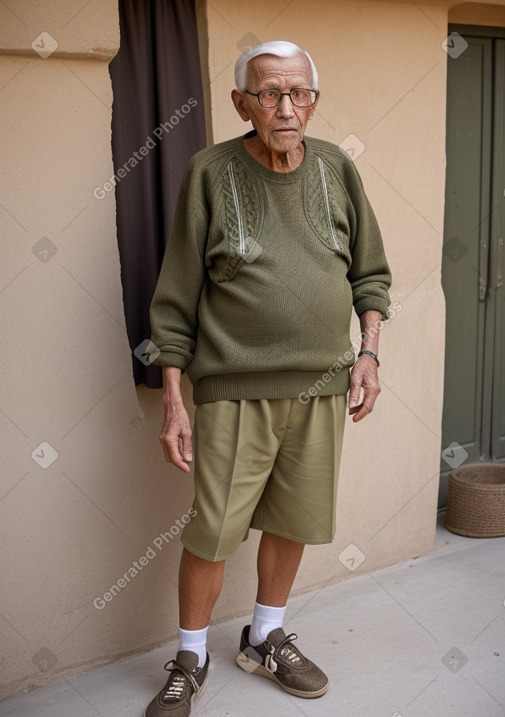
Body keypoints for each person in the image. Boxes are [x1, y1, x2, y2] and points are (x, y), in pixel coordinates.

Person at [145, 40, 391, 717]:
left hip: (322, 388)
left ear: (313, 100)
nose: (286, 107)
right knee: (213, 529)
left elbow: (369, 274)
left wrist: (368, 354)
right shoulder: (208, 172)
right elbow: (174, 300)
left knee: (293, 520)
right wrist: (174, 398)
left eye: (299, 93)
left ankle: (264, 635)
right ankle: (191, 656)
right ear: (240, 103)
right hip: (233, 388)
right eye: (269, 94)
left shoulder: (337, 168)